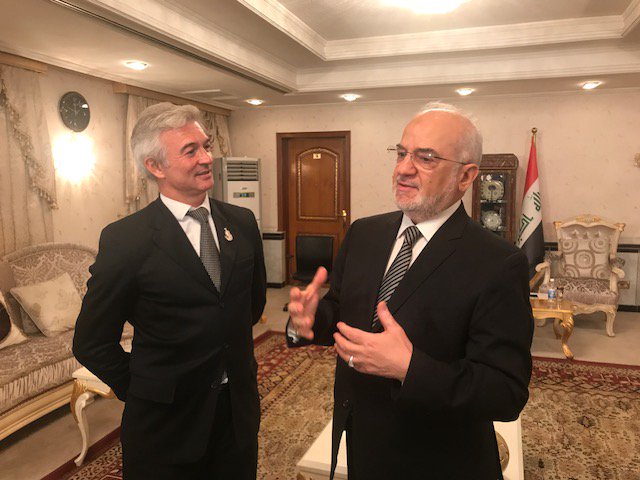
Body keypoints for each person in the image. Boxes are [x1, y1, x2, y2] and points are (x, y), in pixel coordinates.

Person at [287, 102, 533, 479]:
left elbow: (505, 392)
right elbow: (343, 311)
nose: (403, 168)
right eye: (401, 153)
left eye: (426, 158)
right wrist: (309, 320)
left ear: (466, 176)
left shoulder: (498, 263)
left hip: (437, 460)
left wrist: (410, 368)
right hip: (363, 442)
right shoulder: (364, 233)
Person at [73, 102, 266, 479]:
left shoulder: (242, 222)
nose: (207, 158)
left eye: (206, 146)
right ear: (155, 166)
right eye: (190, 151)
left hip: (237, 418)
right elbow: (92, 342)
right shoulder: (127, 240)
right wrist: (145, 389)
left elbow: (252, 304)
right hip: (165, 428)